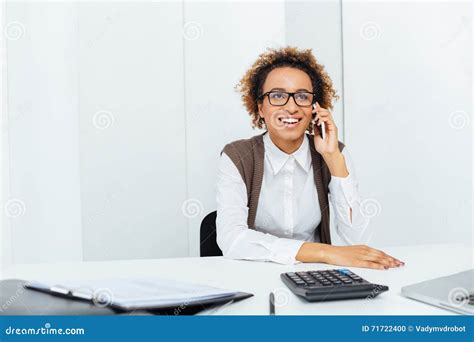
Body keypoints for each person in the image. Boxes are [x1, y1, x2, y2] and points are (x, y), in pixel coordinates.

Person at [216, 46, 404, 269]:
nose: (292, 107)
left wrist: (333, 157)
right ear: (260, 108)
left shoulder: (334, 152)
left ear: (315, 107)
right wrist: (325, 252)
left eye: (302, 97)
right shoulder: (237, 157)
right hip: (258, 270)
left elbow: (357, 241)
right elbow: (232, 240)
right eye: (277, 96)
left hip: (316, 274)